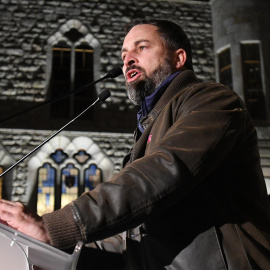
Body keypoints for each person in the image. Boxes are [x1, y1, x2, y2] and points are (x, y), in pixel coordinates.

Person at [1, 18, 270, 270]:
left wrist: (58, 227)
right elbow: (133, 237)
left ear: (179, 58)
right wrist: (57, 256)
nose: (128, 59)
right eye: (124, 54)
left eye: (141, 48)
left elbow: (164, 171)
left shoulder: (213, 101)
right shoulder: (146, 130)